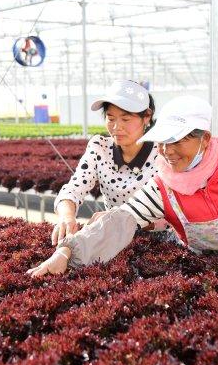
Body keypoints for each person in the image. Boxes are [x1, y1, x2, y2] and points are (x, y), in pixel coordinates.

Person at [28, 95, 218, 277]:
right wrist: (67, 252)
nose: (167, 151)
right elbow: (123, 220)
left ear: (205, 139)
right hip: (211, 271)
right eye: (162, 143)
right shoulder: (163, 185)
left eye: (177, 141)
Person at [51, 80, 159, 245]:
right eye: (110, 118)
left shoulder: (163, 152)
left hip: (158, 241)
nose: (116, 127)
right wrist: (67, 216)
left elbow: (175, 210)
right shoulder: (100, 147)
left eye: (126, 119)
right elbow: (73, 189)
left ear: (147, 117)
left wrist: (122, 219)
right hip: (113, 240)